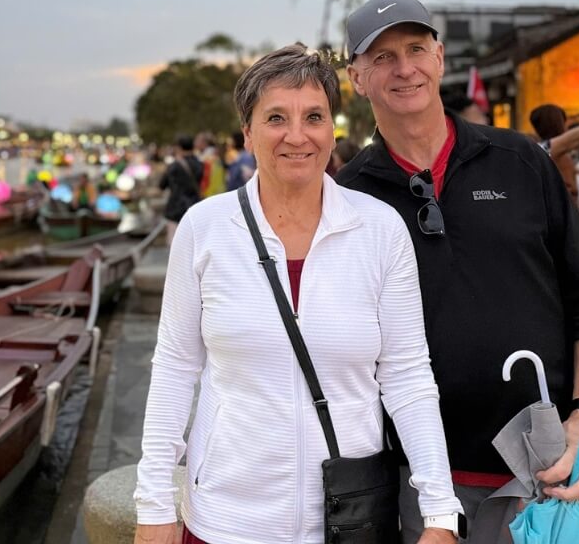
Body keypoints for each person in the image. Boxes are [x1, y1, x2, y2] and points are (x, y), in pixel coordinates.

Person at [136, 44, 462, 544]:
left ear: (333, 128)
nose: (296, 135)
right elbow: (176, 368)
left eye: (314, 116)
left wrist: (440, 511)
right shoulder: (206, 229)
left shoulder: (379, 230)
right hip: (226, 518)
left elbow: (408, 375)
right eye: (275, 118)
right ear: (247, 132)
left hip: (347, 520)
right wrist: (154, 503)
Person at [336, 0, 579, 541]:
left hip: (550, 470)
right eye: (382, 57)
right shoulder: (348, 199)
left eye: (416, 48)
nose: (405, 68)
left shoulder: (521, 162)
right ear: (356, 77)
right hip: (417, 482)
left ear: (440, 57)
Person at [158, 136, 203, 246]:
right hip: (194, 206)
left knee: (175, 245)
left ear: (178, 148)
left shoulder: (174, 166)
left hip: (176, 210)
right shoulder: (200, 164)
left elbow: (162, 185)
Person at [195, 134, 227, 198]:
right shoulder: (209, 155)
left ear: (204, 143)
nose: (195, 143)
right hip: (216, 192)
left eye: (197, 141)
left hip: (211, 193)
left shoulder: (207, 157)